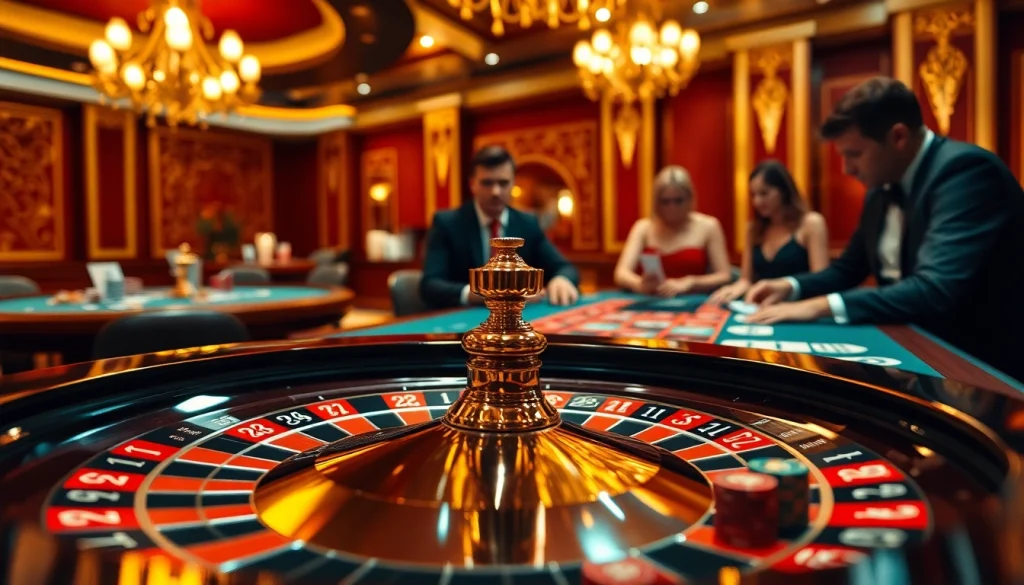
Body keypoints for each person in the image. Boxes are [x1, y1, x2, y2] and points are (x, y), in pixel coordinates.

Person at [744, 76, 1024, 382]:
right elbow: (847, 270)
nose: (847, 169)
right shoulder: (880, 190)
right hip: (920, 349)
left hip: (985, 367)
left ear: (899, 136)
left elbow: (936, 289)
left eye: (854, 154)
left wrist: (819, 306)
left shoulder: (966, 172)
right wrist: (790, 286)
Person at [420, 145, 581, 308]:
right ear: (472, 184)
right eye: (487, 183)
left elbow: (565, 267)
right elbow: (430, 285)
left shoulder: (527, 223)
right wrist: (483, 294)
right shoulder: (447, 223)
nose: (496, 191)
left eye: (503, 183)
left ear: (512, 184)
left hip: (516, 321)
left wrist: (562, 279)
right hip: (463, 319)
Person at [708, 160, 829, 305]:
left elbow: (821, 282)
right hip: (764, 308)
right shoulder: (753, 229)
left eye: (764, 193)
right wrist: (730, 291)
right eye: (753, 195)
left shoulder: (811, 223)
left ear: (784, 191)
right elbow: (746, 280)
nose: (757, 201)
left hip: (802, 308)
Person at [613, 165, 732, 297]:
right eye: (665, 201)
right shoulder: (643, 227)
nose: (672, 207)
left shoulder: (709, 226)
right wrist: (639, 284)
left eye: (678, 201)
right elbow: (621, 273)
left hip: (693, 301)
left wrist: (690, 282)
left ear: (690, 199)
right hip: (650, 300)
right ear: (656, 202)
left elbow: (724, 275)